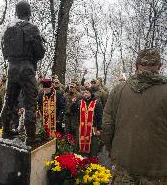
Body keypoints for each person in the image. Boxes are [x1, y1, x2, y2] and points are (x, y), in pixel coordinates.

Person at [102, 48, 167, 185]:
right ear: (160, 67)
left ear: (136, 66)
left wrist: (111, 150)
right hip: (158, 172)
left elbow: (107, 127)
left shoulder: (119, 90)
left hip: (123, 167)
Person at [0, 0, 45, 145]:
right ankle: (30, 137)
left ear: (16, 12)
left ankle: (5, 130)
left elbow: (4, 51)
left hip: (11, 67)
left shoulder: (7, 29)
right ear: (29, 13)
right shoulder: (32, 28)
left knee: (9, 101)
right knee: (30, 103)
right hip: (26, 67)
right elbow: (40, 53)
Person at [71, 87, 103, 157]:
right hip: (81, 128)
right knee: (79, 145)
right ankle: (79, 159)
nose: (85, 94)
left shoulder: (97, 103)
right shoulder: (80, 102)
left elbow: (100, 117)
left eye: (87, 92)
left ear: (91, 94)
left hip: (92, 128)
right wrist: (73, 103)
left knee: (92, 145)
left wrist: (99, 129)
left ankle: (91, 160)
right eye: (84, 92)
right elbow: (73, 111)